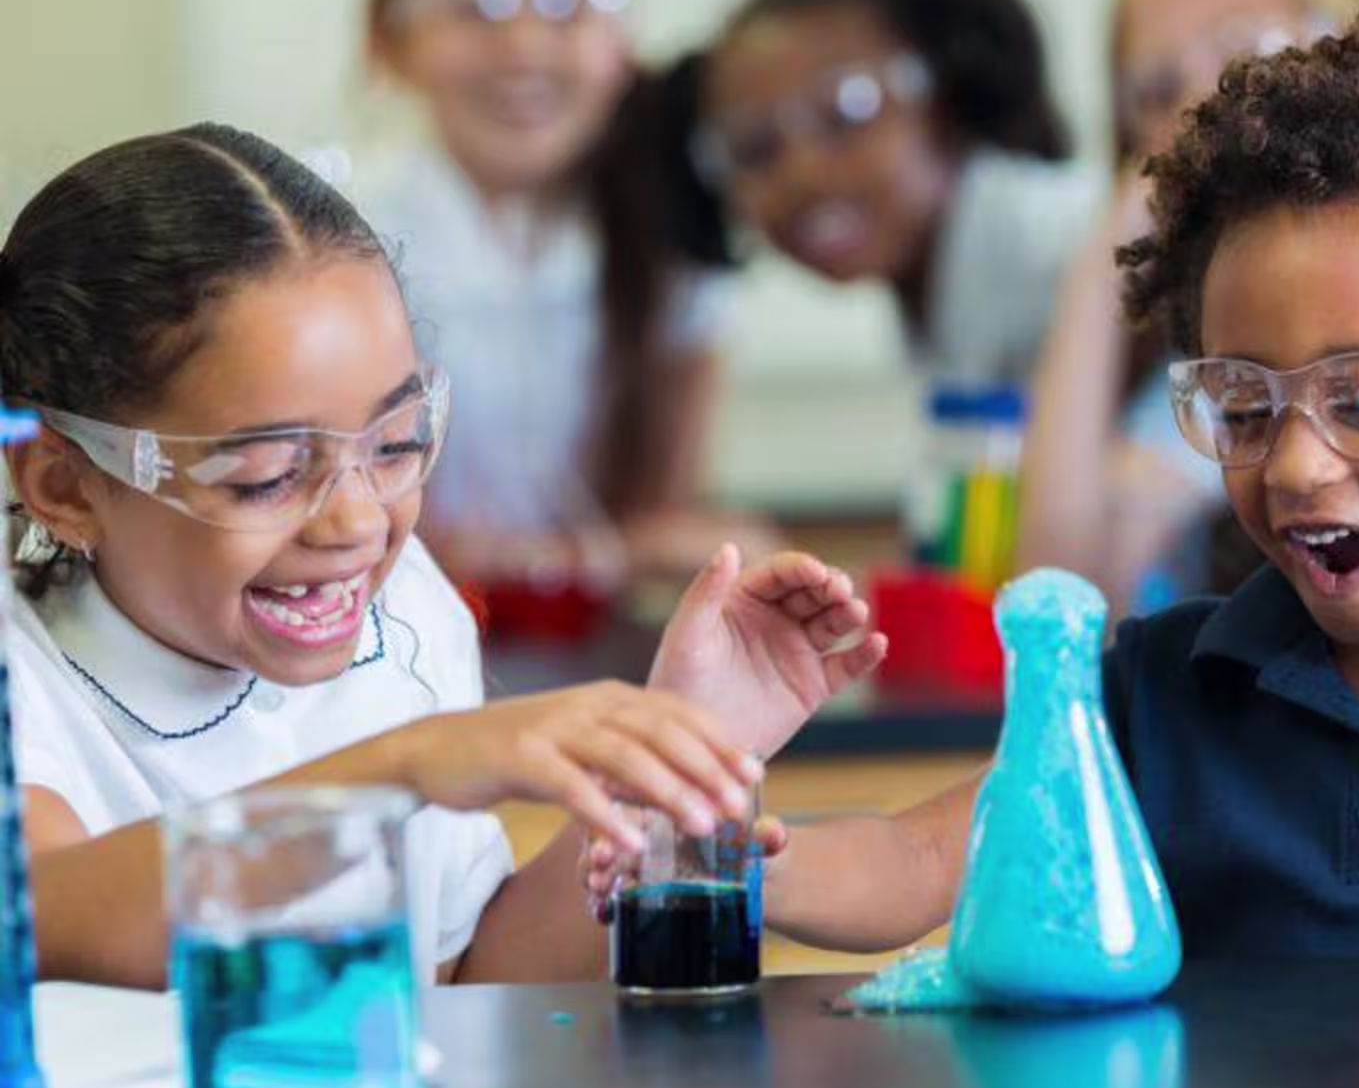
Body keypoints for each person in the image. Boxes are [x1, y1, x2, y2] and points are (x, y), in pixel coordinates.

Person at [616, 0, 1359, 1088]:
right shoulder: (1166, 685)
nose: (1292, 467)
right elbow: (927, 857)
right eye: (1244, 410)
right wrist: (715, 855)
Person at [0, 124, 884, 988]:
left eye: (394, 444)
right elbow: (46, 917)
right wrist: (409, 765)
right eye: (266, 476)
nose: (354, 521)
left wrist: (679, 761)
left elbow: (467, 976)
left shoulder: (407, 617)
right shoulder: (24, 675)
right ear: (67, 487)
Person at [355, 0, 761, 590]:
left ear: (622, 38)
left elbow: (674, 519)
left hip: (612, 671)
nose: (525, 46)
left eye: (568, 2)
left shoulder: (672, 234)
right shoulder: (340, 237)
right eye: (479, 4)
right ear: (389, 37)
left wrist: (589, 559)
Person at [1017, 0, 1359, 609]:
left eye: (1243, 50)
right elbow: (1063, 595)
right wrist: (1102, 269)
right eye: (1156, 91)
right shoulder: (1226, 372)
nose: (1199, 108)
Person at [689, 0, 1100, 389]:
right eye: (753, 148)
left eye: (845, 112)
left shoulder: (1060, 241)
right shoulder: (938, 293)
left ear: (945, 86)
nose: (801, 174)